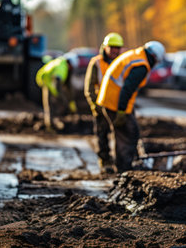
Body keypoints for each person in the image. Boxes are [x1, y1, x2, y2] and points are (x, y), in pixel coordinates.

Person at [96, 41, 166, 173]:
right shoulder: (141, 65)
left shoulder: (136, 55)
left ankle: (122, 166)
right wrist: (122, 110)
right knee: (129, 133)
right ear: (154, 57)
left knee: (122, 133)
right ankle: (125, 169)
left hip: (109, 99)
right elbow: (127, 89)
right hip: (115, 102)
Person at [84, 32, 124, 172]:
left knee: (121, 135)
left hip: (118, 105)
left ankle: (121, 162)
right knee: (102, 135)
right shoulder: (96, 62)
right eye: (112, 47)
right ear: (105, 47)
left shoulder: (122, 63)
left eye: (117, 48)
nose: (115, 50)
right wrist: (95, 106)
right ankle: (105, 161)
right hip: (101, 105)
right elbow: (89, 87)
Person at [35, 53, 79, 132]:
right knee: (50, 105)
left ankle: (52, 122)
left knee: (54, 102)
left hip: (49, 80)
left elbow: (66, 85)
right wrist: (63, 100)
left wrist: (70, 101)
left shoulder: (62, 63)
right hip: (46, 81)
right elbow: (57, 84)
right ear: (70, 64)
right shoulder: (62, 67)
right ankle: (50, 126)